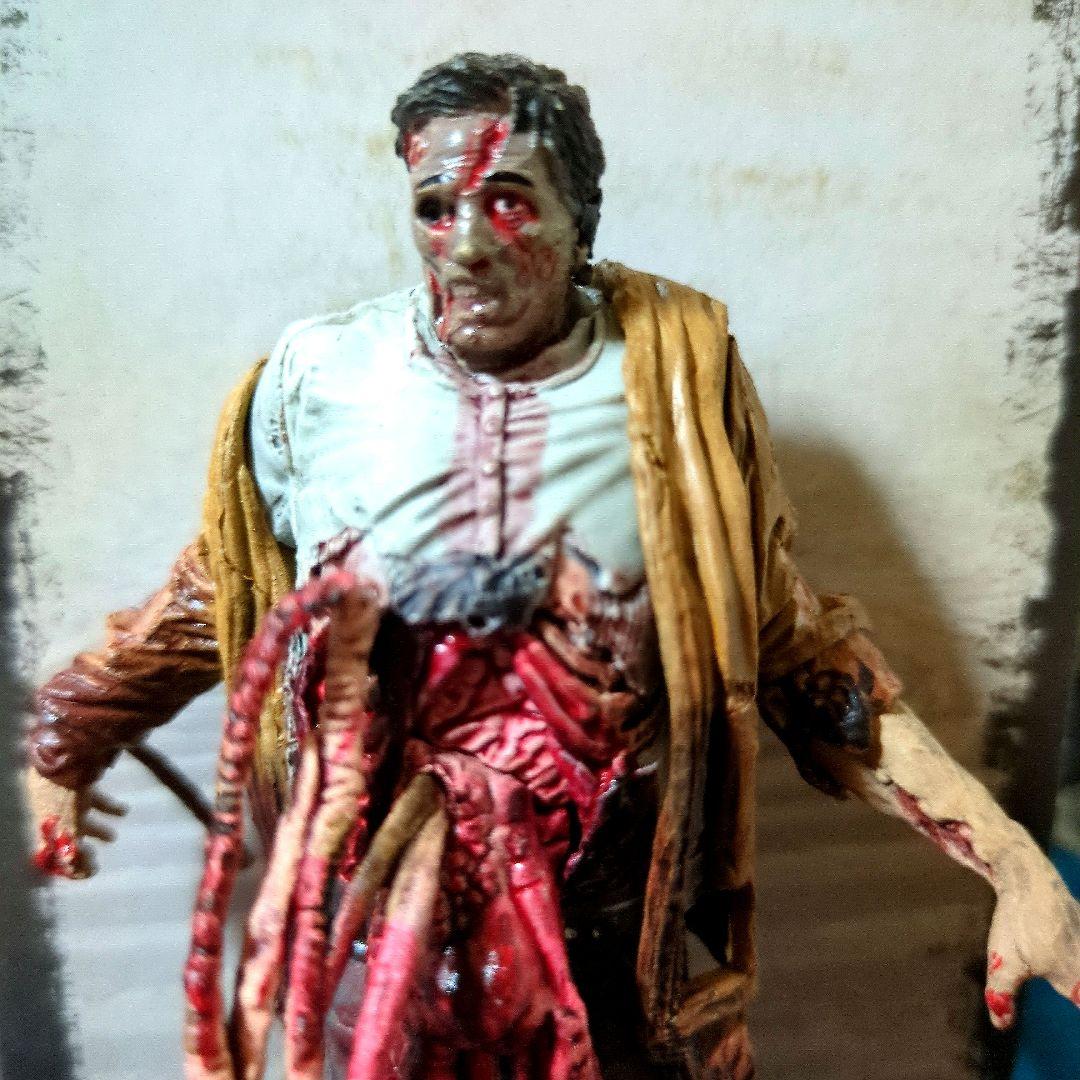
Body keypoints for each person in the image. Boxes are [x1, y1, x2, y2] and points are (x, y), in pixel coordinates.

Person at [25, 52, 1080, 1080]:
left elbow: (791, 650)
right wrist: (68, 739)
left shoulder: (673, 387)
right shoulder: (320, 381)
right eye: (435, 207)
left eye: (510, 203)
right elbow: (221, 591)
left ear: (582, 220)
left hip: (609, 960)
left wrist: (1010, 858)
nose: (467, 247)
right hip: (373, 955)